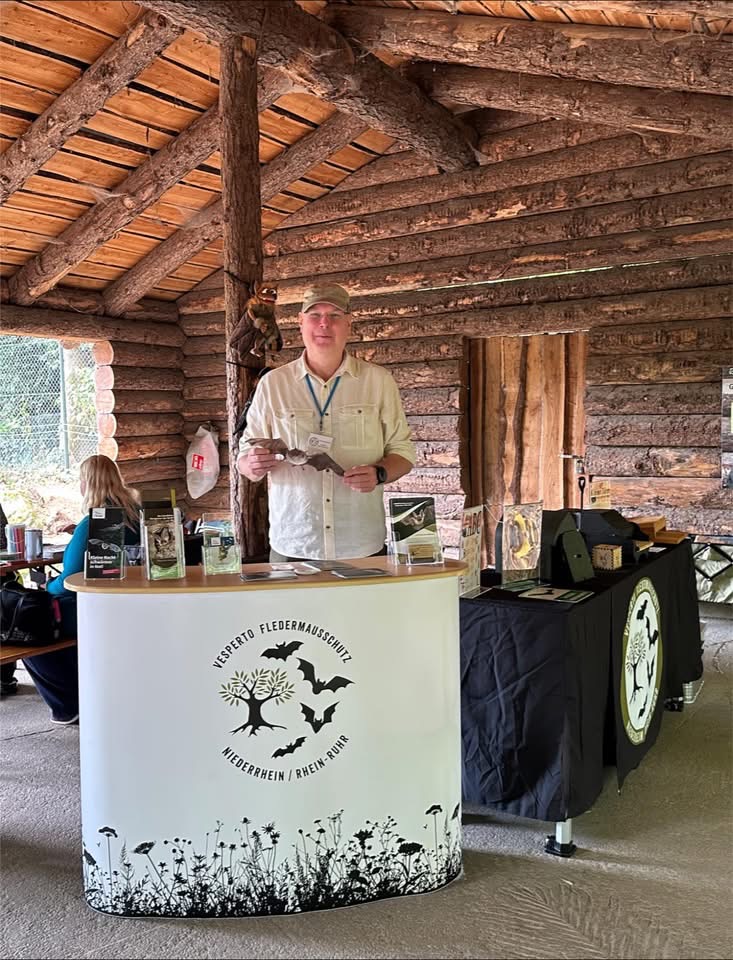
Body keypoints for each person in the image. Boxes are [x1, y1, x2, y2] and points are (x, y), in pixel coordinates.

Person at [237, 282, 415, 562]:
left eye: (334, 315)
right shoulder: (273, 384)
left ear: (349, 324)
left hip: (361, 545)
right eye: (314, 315)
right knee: (289, 610)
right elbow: (245, 459)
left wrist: (379, 473)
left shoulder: (378, 381)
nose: (324, 323)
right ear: (300, 323)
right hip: (293, 545)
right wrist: (252, 463)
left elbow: (403, 454)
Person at [24, 455, 141, 725]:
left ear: (88, 483)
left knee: (27, 629)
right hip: (126, 605)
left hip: (89, 610)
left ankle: (67, 705)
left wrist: (44, 586)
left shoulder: (92, 524)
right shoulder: (136, 515)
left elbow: (71, 579)